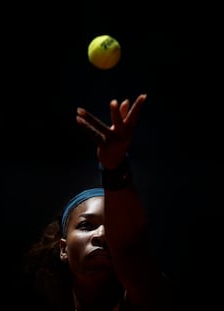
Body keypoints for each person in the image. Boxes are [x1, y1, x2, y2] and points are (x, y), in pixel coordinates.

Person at [24, 94, 170, 310]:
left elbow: (131, 251)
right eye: (86, 225)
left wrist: (115, 167)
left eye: (112, 228)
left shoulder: (150, 299)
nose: (102, 234)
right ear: (63, 249)